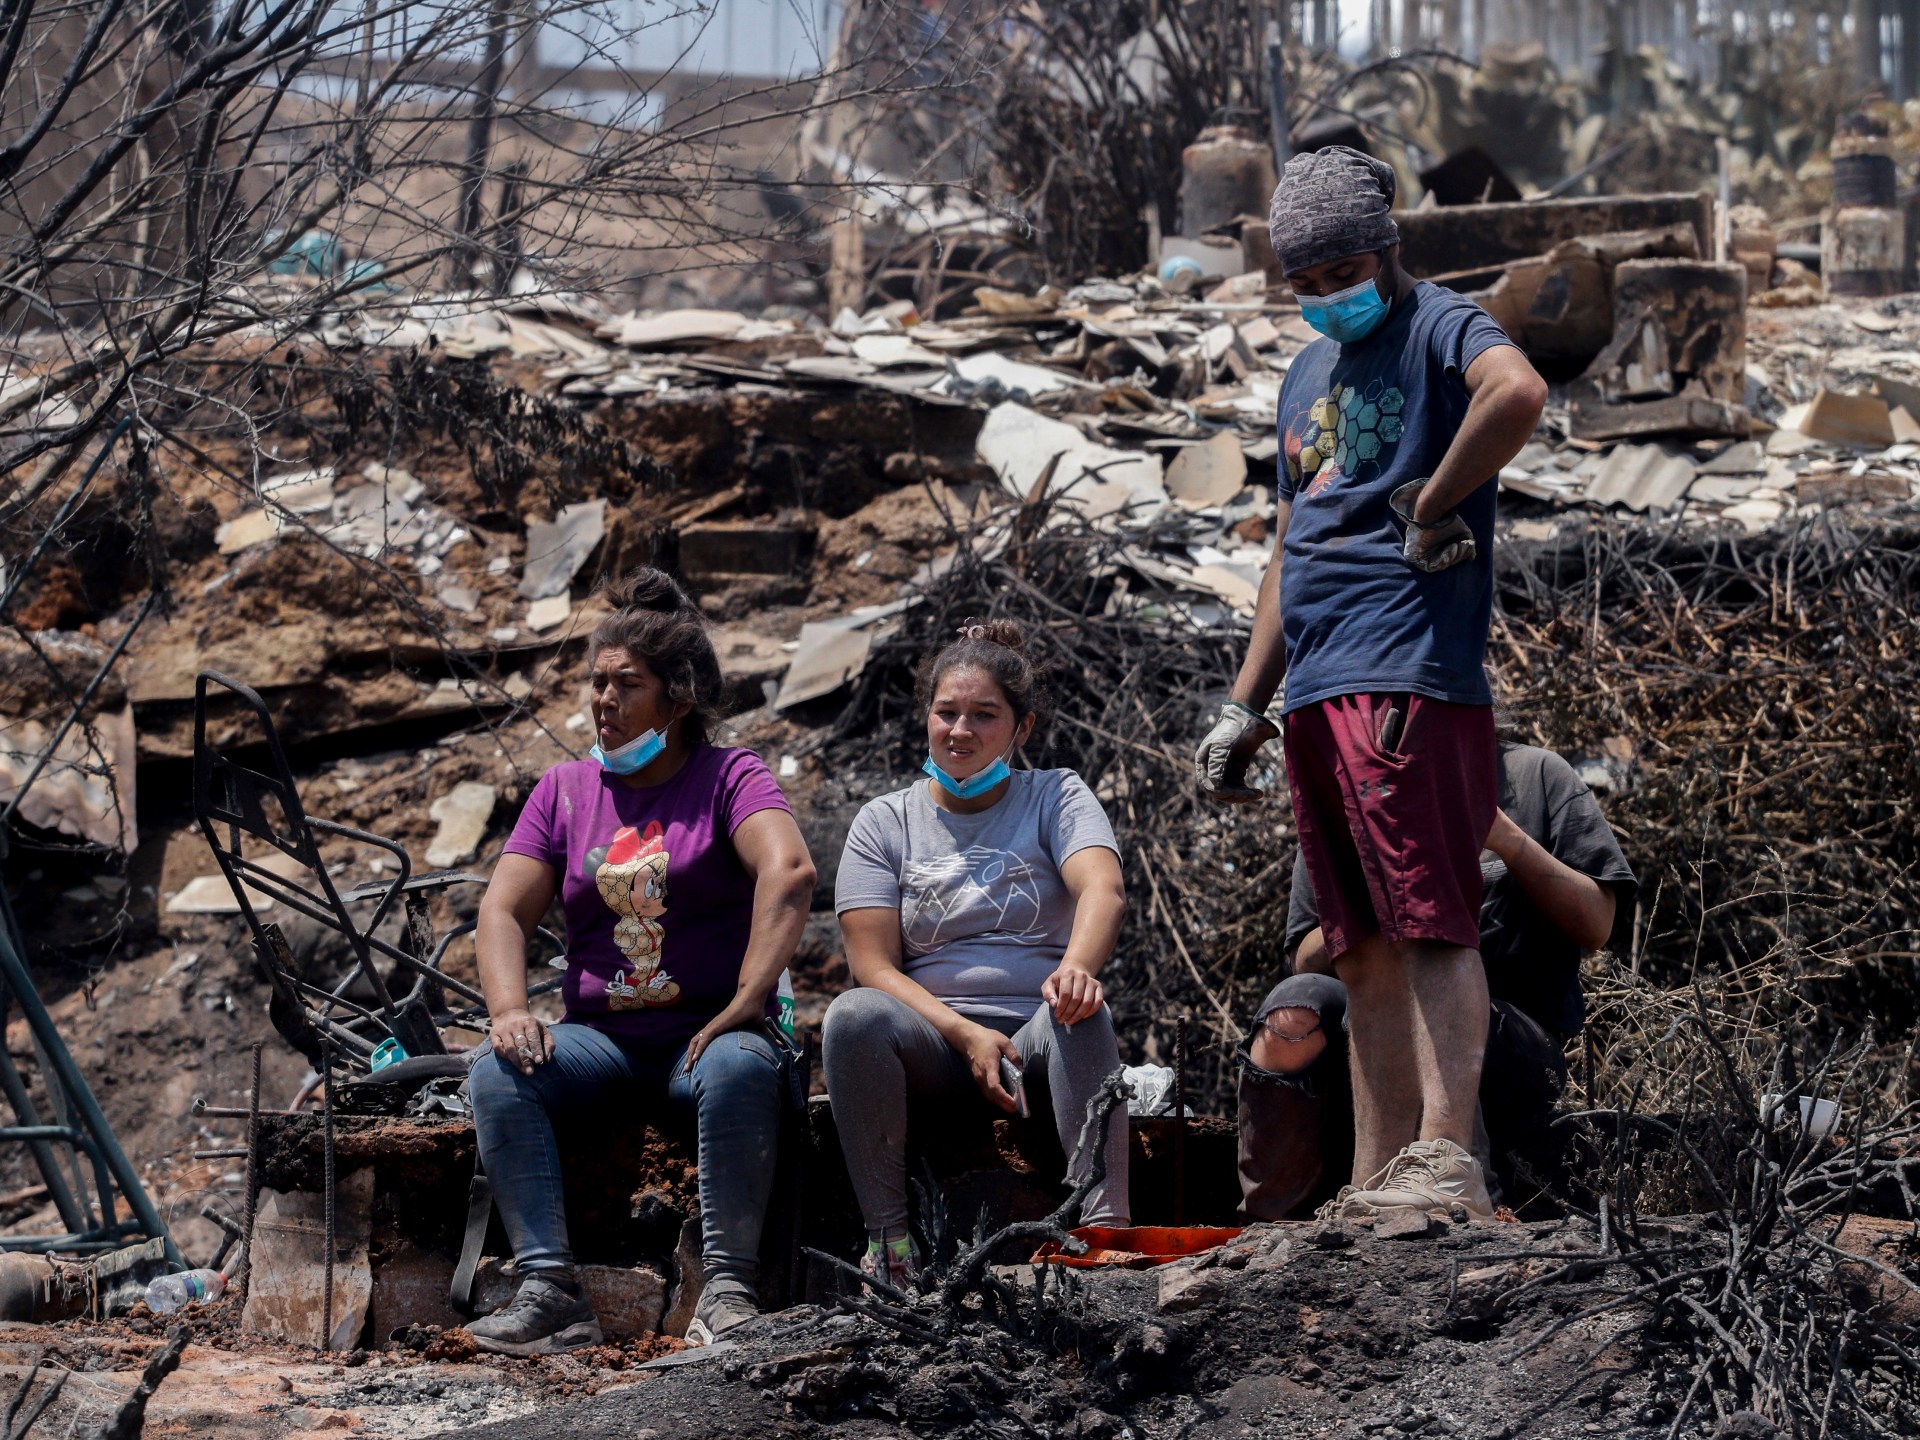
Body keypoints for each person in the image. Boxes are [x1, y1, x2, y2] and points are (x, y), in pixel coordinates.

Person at [1194, 145, 1549, 1223]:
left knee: (1432, 919)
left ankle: (1446, 1155)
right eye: (1303, 283)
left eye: (1341, 271)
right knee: (1359, 945)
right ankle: (1379, 1173)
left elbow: (1520, 391)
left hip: (1407, 667)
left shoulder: (1443, 324)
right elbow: (1288, 545)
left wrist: (1438, 500)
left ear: (1388, 249)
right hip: (1316, 685)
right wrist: (1243, 704)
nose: (1324, 297)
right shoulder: (1305, 376)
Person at [466, 568, 816, 1355]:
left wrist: (748, 1001)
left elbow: (789, 870)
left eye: (627, 685)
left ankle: (728, 1291)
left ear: (679, 696)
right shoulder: (563, 790)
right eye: (596, 683)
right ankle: (551, 1293)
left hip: (705, 1036)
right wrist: (510, 1011)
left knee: (738, 1067)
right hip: (604, 1045)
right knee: (496, 1070)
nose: (603, 701)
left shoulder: (730, 777)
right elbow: (502, 908)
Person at [823, 619, 1131, 1286]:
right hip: (931, 1038)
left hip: (1035, 1033)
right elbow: (872, 966)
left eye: (984, 716)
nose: (960, 731)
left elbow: (1101, 888)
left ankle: (1104, 1234)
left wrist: (1076, 968)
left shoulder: (1057, 795)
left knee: (1083, 1011)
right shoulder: (885, 821)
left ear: (1022, 728)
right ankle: (891, 1247)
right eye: (946, 712)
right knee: (852, 1014)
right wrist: (963, 1034)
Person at [1237, 741, 1636, 1221]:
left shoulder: (1534, 775)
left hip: (1514, 1033)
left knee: (1428, 996)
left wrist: (1506, 840)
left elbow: (1598, 922)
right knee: (1291, 1010)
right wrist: (1372, 904)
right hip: (1370, 1019)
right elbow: (1305, 957)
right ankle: (1275, 1219)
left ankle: (1463, 1189)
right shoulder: (1344, 796)